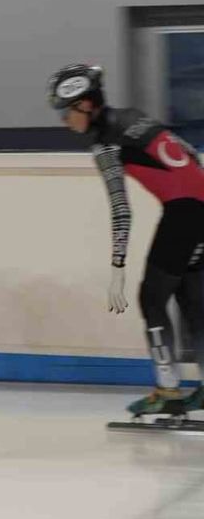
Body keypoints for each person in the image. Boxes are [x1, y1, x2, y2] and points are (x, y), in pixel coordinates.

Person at [50, 64, 204, 417]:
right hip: (200, 207)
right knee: (192, 303)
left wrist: (117, 265)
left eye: (64, 112)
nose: (63, 121)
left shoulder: (105, 145)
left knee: (150, 299)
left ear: (86, 106)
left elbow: (122, 211)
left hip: (183, 215)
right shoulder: (136, 117)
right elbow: (191, 156)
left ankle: (168, 391)